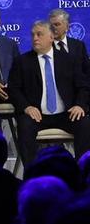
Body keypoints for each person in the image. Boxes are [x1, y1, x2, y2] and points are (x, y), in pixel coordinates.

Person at [8, 20, 90, 164]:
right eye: (33, 35)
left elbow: (83, 86)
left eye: (39, 34)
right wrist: (26, 107)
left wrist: (80, 105)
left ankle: (81, 173)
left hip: (66, 114)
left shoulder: (69, 59)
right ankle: (31, 175)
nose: (35, 38)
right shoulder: (22, 61)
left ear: (51, 37)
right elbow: (14, 89)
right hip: (37, 115)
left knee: (84, 123)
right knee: (24, 125)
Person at [48, 9, 90, 73]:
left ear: (67, 27)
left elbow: (86, 70)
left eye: (57, 25)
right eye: (51, 25)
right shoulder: (44, 47)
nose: (53, 28)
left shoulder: (79, 45)